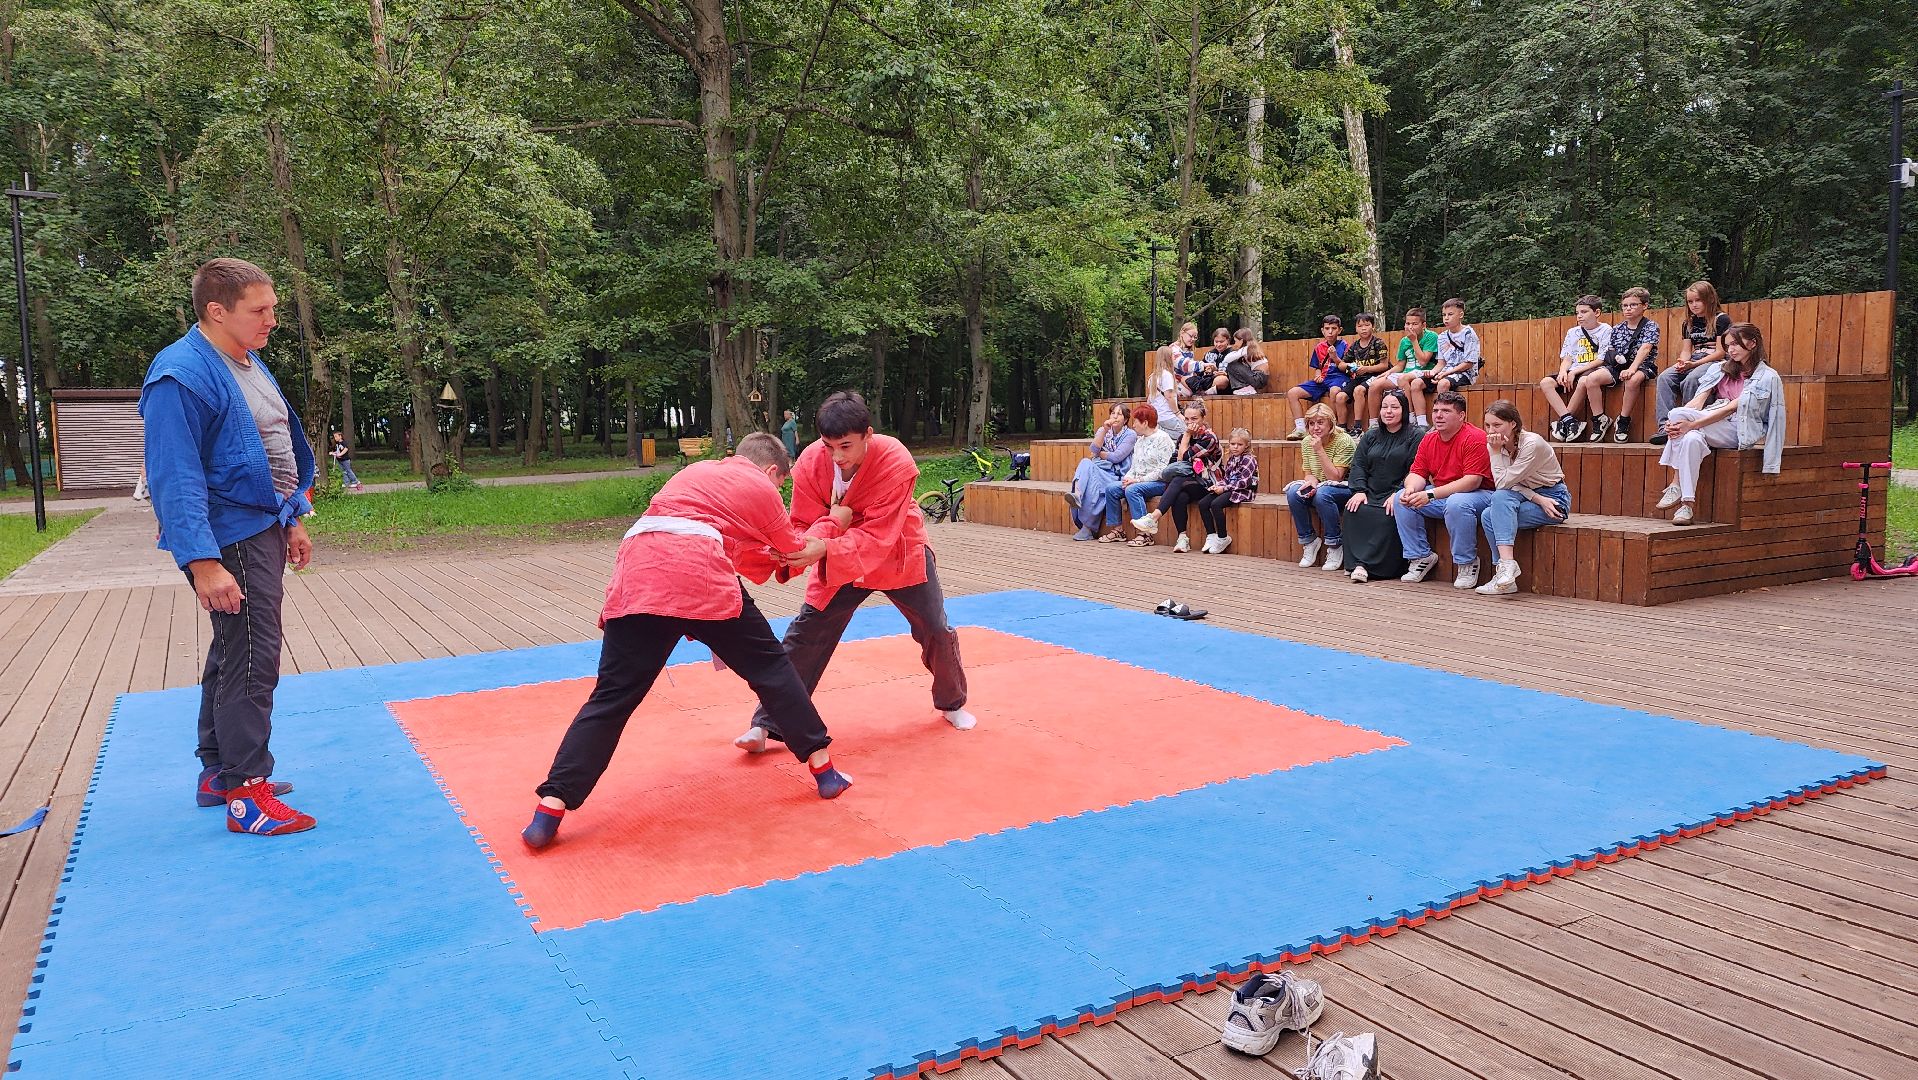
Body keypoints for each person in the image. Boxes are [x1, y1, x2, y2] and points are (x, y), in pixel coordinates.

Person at [523, 433, 850, 850]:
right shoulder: (757, 486)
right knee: (771, 668)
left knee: (611, 697)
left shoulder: (693, 475)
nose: (777, 494)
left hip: (638, 569)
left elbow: (742, 553)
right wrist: (833, 523)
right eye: (780, 487)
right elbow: (789, 549)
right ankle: (825, 772)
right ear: (771, 472)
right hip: (696, 574)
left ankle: (549, 808)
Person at [140, 257, 316, 836]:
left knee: (231, 649)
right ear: (217, 311)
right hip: (227, 538)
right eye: (259, 310)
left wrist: (293, 517)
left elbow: (268, 444)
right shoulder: (181, 374)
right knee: (251, 656)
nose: (272, 320)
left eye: (273, 308)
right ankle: (248, 792)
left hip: (262, 524)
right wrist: (204, 561)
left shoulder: (246, 361)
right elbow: (175, 476)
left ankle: (219, 773)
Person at [732, 392, 976, 754]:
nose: (837, 456)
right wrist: (803, 548)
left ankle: (952, 702)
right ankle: (767, 723)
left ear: (868, 435)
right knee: (807, 632)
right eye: (829, 446)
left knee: (935, 627)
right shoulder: (812, 462)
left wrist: (825, 543)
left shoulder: (895, 461)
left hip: (898, 549)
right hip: (839, 554)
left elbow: (880, 535)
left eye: (846, 446)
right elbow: (802, 521)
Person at [1655, 322, 1785, 525]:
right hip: (1711, 421)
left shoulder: (1767, 377)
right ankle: (1686, 506)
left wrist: (1691, 424)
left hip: (1738, 429)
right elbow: (1698, 401)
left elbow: (1732, 408)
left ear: (1752, 344)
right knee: (1688, 437)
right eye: (1727, 345)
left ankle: (1675, 482)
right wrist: (1681, 422)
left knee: (1685, 424)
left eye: (1735, 344)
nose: (1730, 350)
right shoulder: (1719, 369)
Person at [1394, 390, 1493, 587]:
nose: (1438, 415)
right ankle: (1420, 556)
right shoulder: (1429, 438)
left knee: (1457, 503)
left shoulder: (1475, 437)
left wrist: (1430, 494)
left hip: (1482, 494)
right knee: (1400, 499)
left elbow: (1472, 481)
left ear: (1462, 416)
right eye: (1436, 410)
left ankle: (1467, 562)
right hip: (1443, 494)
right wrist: (1411, 489)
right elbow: (1418, 472)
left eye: (1446, 411)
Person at [1476, 401, 1571, 596]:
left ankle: (1506, 567)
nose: (1491, 431)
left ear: (1513, 424)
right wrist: (1536, 498)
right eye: (1487, 425)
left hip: (1554, 499)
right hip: (1530, 496)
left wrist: (1494, 453)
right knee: (1488, 514)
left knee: (1494, 509)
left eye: (1497, 425)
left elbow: (1503, 483)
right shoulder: (1495, 444)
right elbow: (1507, 484)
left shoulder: (1531, 443)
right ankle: (1505, 576)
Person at [1340, 388, 1423, 582]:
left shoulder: (1415, 435)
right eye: (1385, 407)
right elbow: (1358, 464)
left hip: (1396, 492)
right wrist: (1360, 491)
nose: (1388, 411)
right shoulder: (1371, 435)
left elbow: (1415, 469)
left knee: (1386, 515)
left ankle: (1368, 566)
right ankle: (1355, 564)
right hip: (1370, 491)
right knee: (1353, 510)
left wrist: (1398, 493)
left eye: (1394, 407)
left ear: (1403, 410)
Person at [1651, 281, 1732, 446]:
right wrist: (1683, 361)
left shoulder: (1721, 319)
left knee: (1692, 380)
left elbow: (1720, 352)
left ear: (1709, 299)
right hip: (1694, 359)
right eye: (1690, 301)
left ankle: (1688, 424)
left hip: (1715, 361)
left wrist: (1693, 365)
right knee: (1665, 377)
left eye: (1698, 300)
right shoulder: (1688, 323)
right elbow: (1687, 350)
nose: (1694, 305)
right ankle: (1665, 428)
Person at [1284, 403, 1357, 571]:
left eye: (1320, 422)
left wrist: (1319, 450)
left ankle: (1334, 544)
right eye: (1311, 423)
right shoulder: (1307, 441)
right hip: (1322, 485)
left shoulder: (1344, 441)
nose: (1315, 428)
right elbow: (1309, 473)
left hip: (1345, 488)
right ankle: (1309, 541)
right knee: (1294, 492)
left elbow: (1336, 477)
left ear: (1331, 423)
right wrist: (1311, 482)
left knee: (1322, 494)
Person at [1583, 286, 1660, 443]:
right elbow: (1611, 351)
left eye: (1633, 305)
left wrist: (1632, 369)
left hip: (1642, 365)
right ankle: (1599, 419)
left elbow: (1645, 349)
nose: (1628, 309)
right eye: (1625, 306)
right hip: (1618, 365)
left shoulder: (1651, 326)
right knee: (1591, 379)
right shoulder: (1617, 329)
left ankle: (1623, 420)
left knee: (1633, 380)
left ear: (1644, 306)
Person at [1540, 295, 1612, 442]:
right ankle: (1569, 421)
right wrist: (1562, 372)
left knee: (1584, 380)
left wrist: (1574, 372)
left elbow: (1601, 359)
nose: (1579, 316)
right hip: (1573, 369)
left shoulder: (1606, 330)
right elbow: (1567, 357)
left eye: (1584, 312)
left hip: (1592, 369)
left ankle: (1563, 423)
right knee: (1545, 383)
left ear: (1597, 313)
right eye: (1577, 312)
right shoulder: (1573, 332)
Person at [1157, 402, 1222, 553]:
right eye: (1186, 419)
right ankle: (1182, 538)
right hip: (1190, 483)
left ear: (1203, 418)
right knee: (1179, 494)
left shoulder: (1209, 438)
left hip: (1209, 484)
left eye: (1194, 419)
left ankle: (1155, 516)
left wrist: (1186, 435)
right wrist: (1185, 437)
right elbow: (1174, 463)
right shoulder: (1182, 438)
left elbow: (1183, 459)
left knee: (1178, 480)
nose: (1189, 423)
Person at [1069, 403, 1137, 540]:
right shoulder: (1105, 430)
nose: (1115, 417)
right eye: (1113, 413)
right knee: (1085, 462)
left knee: (1093, 487)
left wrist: (1099, 454)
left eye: (1119, 414)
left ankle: (1088, 528)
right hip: (1100, 469)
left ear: (1125, 420)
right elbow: (1093, 449)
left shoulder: (1130, 434)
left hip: (1116, 474)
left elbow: (1116, 457)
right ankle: (1077, 494)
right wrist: (1104, 430)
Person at [1113, 404, 1176, 546]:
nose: (1133, 425)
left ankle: (1145, 534)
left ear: (1145, 423)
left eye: (1136, 421)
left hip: (1159, 482)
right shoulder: (1139, 440)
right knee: (1111, 489)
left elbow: (1162, 470)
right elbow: (1134, 466)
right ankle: (1118, 531)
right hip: (1138, 480)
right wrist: (1128, 478)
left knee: (1132, 489)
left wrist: (1137, 480)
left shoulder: (1163, 439)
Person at [1286, 315, 1350, 437]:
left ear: (1340, 330)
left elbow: (1346, 367)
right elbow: (1317, 367)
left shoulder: (1345, 346)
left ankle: (1333, 426)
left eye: (1333, 328)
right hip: (1324, 379)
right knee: (1292, 392)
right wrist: (1318, 376)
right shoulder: (1319, 347)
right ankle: (1301, 428)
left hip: (1339, 377)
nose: (1330, 332)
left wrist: (1335, 357)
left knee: (1335, 391)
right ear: (1322, 330)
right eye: (1327, 328)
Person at [1197, 427, 1258, 553]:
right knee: (1203, 503)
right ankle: (1211, 535)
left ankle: (1222, 537)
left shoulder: (1248, 459)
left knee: (1216, 504)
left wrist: (1224, 488)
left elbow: (1244, 482)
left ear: (1246, 446)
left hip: (1243, 491)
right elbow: (1227, 478)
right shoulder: (1231, 459)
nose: (1235, 447)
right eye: (1233, 444)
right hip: (1230, 488)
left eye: (1239, 444)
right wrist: (1218, 485)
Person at [1378, 308, 1440, 427]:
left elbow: (1423, 361)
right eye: (1408, 323)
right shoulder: (1403, 341)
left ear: (1423, 325)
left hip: (1425, 371)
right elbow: (1401, 365)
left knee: (1403, 379)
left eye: (1414, 324)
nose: (1410, 327)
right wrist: (1388, 372)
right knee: (1376, 385)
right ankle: (1374, 423)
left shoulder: (1431, 336)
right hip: (1407, 372)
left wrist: (1414, 341)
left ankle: (1411, 417)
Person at [1340, 313, 1390, 433]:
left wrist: (1366, 368)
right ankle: (1342, 428)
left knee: (1358, 390)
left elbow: (1384, 365)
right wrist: (1351, 367)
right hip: (1359, 376)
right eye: (1360, 326)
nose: (1363, 328)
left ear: (1373, 326)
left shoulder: (1378, 343)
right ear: (1356, 328)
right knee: (1340, 397)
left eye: (1367, 325)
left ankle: (1358, 427)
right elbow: (1342, 364)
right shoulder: (1354, 346)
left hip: (1377, 375)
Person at [1431, 298, 1482, 394]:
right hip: (1446, 372)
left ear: (1461, 315)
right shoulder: (1441, 336)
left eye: (1450, 314)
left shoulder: (1468, 333)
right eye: (1444, 315)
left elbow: (1469, 363)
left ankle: (1443, 408)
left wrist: (1446, 374)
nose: (1446, 318)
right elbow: (1441, 363)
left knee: (1442, 384)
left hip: (1465, 373)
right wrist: (1432, 373)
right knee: (1417, 383)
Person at [1144, 341, 1188, 442]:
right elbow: (1169, 396)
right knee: (1187, 433)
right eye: (1172, 355)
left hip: (1158, 417)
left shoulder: (1153, 377)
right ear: (1168, 357)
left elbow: (1149, 400)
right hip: (1168, 416)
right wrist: (1177, 413)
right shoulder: (1167, 375)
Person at [1183, 327, 1234, 395]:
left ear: (1228, 340)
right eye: (1216, 342)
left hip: (1221, 383)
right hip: (1206, 381)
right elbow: (1200, 371)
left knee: (1222, 380)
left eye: (1221, 342)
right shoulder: (1210, 353)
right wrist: (1205, 370)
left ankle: (1206, 392)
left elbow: (1237, 373)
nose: (1218, 345)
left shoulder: (1233, 353)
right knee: (1184, 379)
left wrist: (1226, 374)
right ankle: (1201, 391)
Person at [1222, 328, 1271, 394]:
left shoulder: (1246, 349)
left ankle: (1244, 388)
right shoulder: (1251, 348)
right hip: (1261, 378)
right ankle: (1246, 387)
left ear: (1241, 341)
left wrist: (1233, 349)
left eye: (1236, 341)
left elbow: (1227, 359)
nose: (1235, 344)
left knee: (1231, 364)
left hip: (1258, 378)